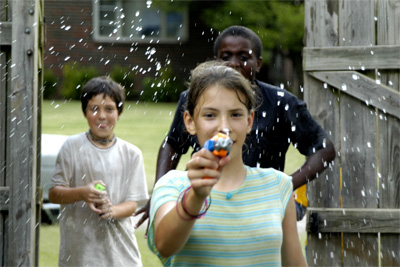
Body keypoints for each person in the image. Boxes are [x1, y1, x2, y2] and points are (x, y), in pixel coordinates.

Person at [135, 25, 335, 228]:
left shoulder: (281, 103)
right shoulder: (194, 98)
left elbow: (324, 149)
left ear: (258, 64)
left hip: (259, 204)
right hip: (207, 200)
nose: (234, 64)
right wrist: (160, 191)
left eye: (244, 57)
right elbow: (173, 144)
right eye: (226, 57)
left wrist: (284, 186)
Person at [147, 61, 307, 266]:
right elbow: (165, 245)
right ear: (189, 122)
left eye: (236, 114)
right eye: (210, 115)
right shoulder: (173, 185)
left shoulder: (278, 185)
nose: (224, 127)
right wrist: (195, 197)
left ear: (249, 121)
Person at [49, 76, 149, 266]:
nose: (102, 116)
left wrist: (112, 210)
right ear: (85, 112)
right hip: (79, 256)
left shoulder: (131, 154)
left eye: (109, 109)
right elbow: (54, 194)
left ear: (119, 113)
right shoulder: (71, 147)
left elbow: (132, 205)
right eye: (94, 108)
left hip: (121, 257)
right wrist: (82, 193)